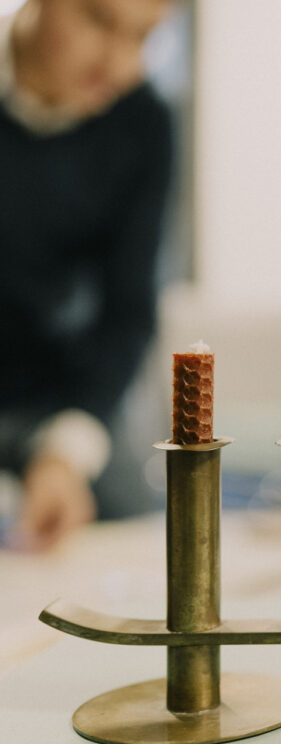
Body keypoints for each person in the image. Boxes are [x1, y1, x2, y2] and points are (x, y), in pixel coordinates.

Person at [0, 0, 173, 550]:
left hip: (70, 390)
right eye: (98, 20)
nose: (118, 65)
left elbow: (128, 312)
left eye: (142, 37)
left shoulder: (143, 123)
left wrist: (63, 452)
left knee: (130, 521)